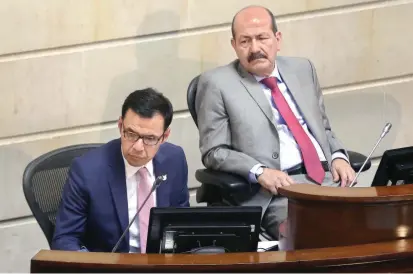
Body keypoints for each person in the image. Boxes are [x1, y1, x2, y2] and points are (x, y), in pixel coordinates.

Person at [195, 5, 355, 239]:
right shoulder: (216, 84)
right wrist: (259, 171)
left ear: (277, 39)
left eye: (262, 38)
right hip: (278, 193)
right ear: (234, 45)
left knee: (376, 228)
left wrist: (339, 156)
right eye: (245, 41)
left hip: (329, 179)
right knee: (318, 236)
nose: (255, 48)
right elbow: (213, 151)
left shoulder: (303, 69)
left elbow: (323, 128)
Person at [52, 88, 190, 253]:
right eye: (131, 134)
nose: (138, 147)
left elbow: (182, 224)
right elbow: (65, 238)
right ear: (120, 126)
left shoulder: (175, 160)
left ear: (165, 136)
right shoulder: (87, 171)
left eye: (150, 138)